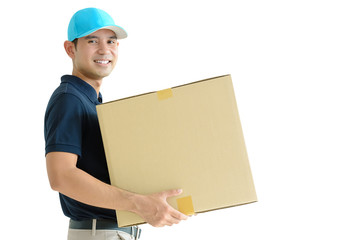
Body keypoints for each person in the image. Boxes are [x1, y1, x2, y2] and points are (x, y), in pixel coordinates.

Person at [44, 7, 188, 240]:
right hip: (98, 233)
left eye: (111, 41)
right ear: (71, 48)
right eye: (92, 40)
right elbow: (61, 176)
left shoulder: (92, 102)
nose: (104, 50)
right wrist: (138, 203)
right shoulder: (69, 99)